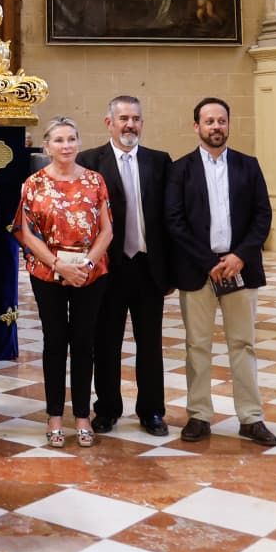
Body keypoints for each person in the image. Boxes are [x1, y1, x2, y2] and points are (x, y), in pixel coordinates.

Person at [166, 97, 276, 447]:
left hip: (240, 269)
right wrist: (208, 262)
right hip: (198, 271)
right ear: (196, 126)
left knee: (243, 344)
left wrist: (240, 256)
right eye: (209, 121)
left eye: (222, 121)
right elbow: (174, 221)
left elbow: (263, 215)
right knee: (197, 345)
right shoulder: (180, 169)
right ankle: (199, 415)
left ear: (229, 125)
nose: (216, 127)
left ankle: (251, 417)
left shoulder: (248, 165)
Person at [77, 96, 173, 437]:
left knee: (150, 343)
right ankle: (107, 409)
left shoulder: (160, 162)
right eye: (123, 119)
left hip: (148, 267)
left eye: (135, 118)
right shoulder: (89, 162)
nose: (130, 124)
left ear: (142, 123)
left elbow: (169, 218)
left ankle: (151, 411)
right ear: (109, 123)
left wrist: (171, 270)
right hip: (108, 268)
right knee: (106, 341)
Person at [14, 116, 113, 448]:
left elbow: (107, 230)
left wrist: (83, 264)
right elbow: (26, 233)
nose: (66, 145)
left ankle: (83, 416)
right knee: (55, 342)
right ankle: (55, 415)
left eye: (71, 139)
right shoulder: (33, 184)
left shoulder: (95, 181)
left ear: (78, 143)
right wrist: (59, 265)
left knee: (84, 342)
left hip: (90, 272)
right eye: (58, 140)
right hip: (47, 273)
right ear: (47, 146)